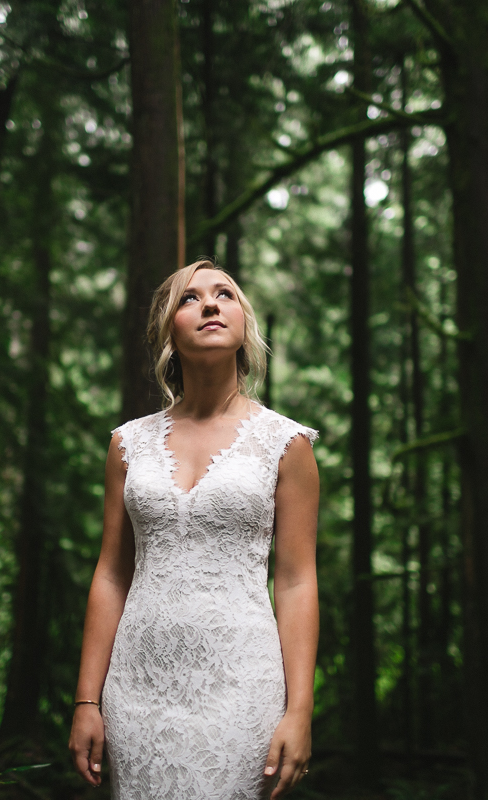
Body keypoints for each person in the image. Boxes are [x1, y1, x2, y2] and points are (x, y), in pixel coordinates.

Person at [68, 259, 320, 799]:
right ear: (168, 332)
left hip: (240, 687)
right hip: (136, 690)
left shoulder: (287, 444)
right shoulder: (127, 445)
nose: (209, 303)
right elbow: (112, 574)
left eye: (225, 294)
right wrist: (87, 700)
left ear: (244, 327)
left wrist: (300, 710)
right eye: (190, 297)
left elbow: (297, 582)